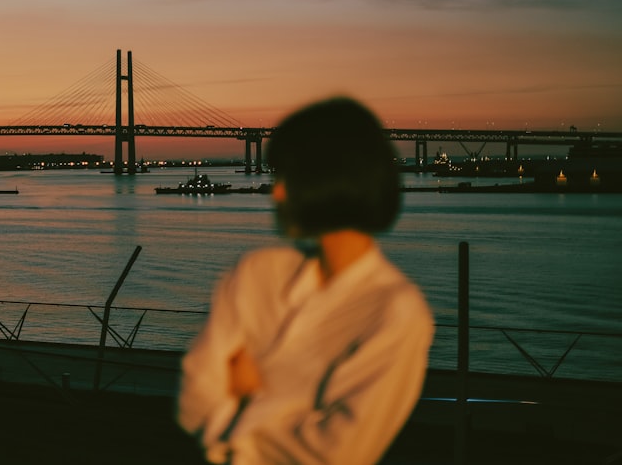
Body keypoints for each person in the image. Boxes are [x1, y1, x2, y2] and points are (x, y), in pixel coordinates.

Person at [177, 96, 435, 465]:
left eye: (287, 177)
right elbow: (193, 400)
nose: (276, 192)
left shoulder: (394, 311)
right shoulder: (256, 273)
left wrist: (244, 403)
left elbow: (343, 453)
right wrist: (293, 418)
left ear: (333, 179)